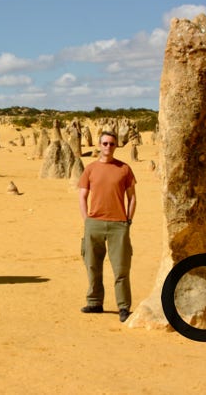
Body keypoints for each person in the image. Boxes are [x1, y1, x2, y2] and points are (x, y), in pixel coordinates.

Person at [78, 131, 136, 322]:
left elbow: (132, 197)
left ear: (116, 146)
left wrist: (128, 220)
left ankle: (124, 307)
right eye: (105, 143)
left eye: (112, 144)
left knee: (121, 268)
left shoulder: (124, 169)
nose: (108, 147)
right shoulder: (90, 169)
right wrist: (87, 220)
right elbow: (82, 196)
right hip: (94, 224)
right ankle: (95, 302)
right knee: (92, 265)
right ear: (99, 145)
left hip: (118, 225)